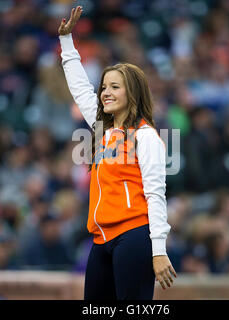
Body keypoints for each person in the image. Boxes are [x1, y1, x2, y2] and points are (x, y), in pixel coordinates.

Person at [58, 6, 176, 300]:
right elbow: (81, 90)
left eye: (114, 87)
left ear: (132, 94)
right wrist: (66, 42)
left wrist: (158, 250)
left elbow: (155, 194)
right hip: (101, 240)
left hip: (134, 237)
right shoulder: (103, 131)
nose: (104, 93)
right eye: (104, 87)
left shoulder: (146, 136)